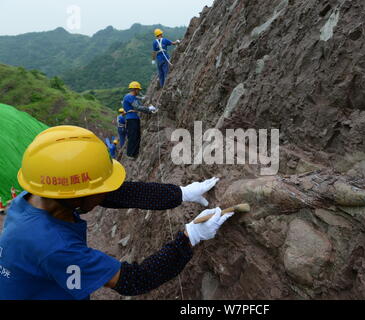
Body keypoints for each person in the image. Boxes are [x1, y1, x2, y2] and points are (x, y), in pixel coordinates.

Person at [0, 126, 232, 300]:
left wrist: (181, 193)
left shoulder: (36, 197)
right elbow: (134, 280)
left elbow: (115, 194)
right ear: (76, 195)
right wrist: (190, 237)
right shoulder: (55, 247)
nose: (106, 193)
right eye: (101, 189)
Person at [122, 81, 158, 159]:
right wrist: (149, 109)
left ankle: (134, 153)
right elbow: (137, 107)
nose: (139, 91)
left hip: (134, 118)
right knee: (133, 136)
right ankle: (130, 154)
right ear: (135, 89)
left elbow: (139, 98)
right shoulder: (129, 97)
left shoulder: (132, 96)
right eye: (138, 90)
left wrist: (144, 98)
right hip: (131, 119)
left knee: (137, 136)